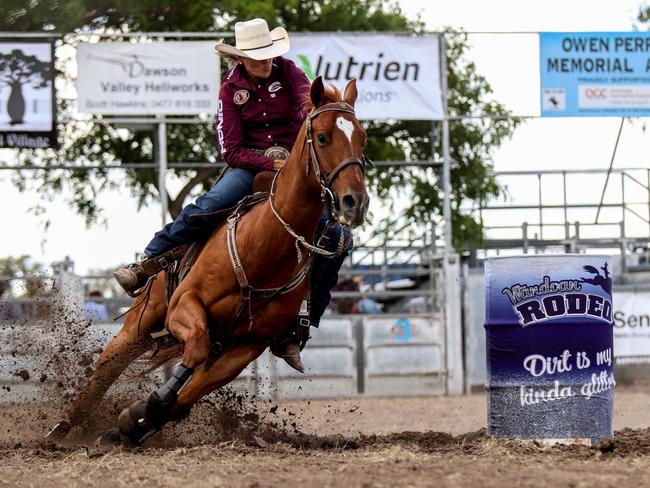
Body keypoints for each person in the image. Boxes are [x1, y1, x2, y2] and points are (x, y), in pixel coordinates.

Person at [113, 18, 352, 371]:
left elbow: (314, 115)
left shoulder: (291, 75)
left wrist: (292, 158)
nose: (266, 62)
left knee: (337, 238)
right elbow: (232, 151)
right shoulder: (230, 91)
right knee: (208, 206)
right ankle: (149, 260)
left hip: (298, 169)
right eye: (257, 57)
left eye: (269, 55)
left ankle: (301, 325)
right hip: (250, 168)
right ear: (240, 59)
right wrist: (268, 163)